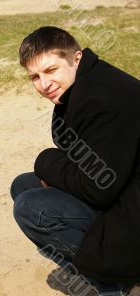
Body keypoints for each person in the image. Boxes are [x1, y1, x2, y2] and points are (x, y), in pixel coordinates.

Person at [10, 26, 140, 295]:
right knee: (23, 186)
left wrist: (45, 160)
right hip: (124, 192)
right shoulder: (85, 83)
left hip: (131, 211)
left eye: (51, 70)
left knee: (32, 208)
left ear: (76, 58)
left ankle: (113, 282)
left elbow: (100, 187)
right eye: (34, 76)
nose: (43, 85)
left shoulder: (101, 98)